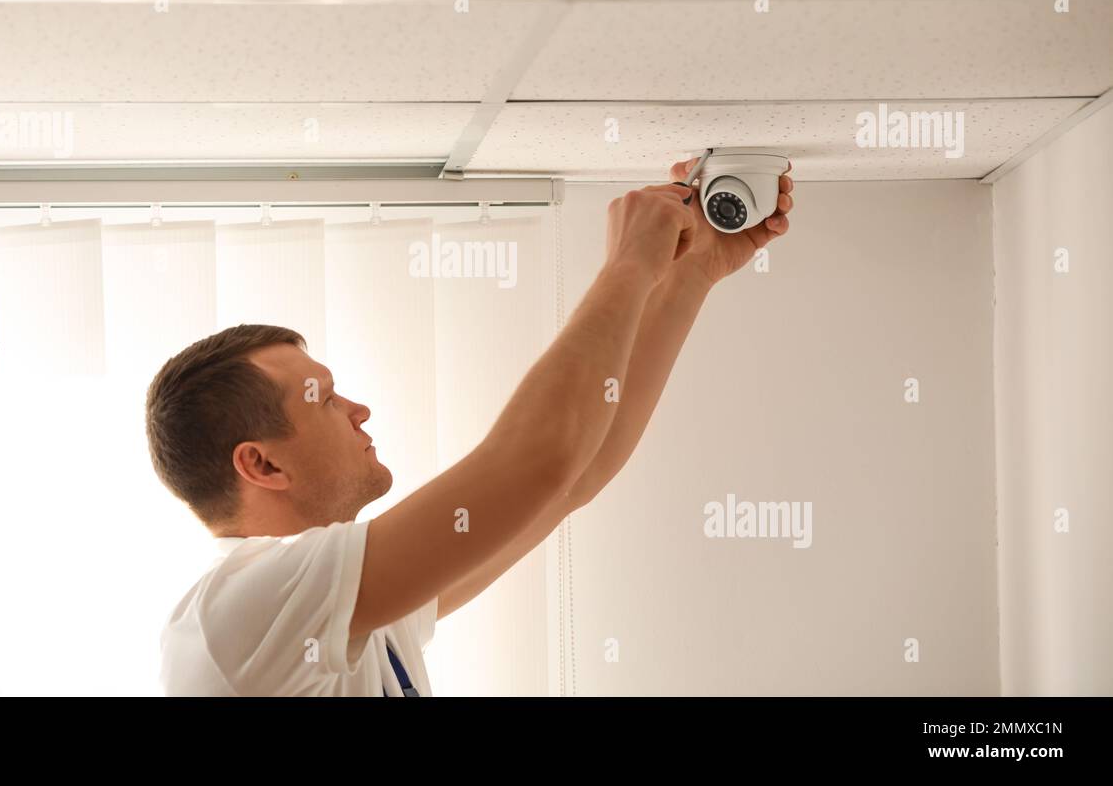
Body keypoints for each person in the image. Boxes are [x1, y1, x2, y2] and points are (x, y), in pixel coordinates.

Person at [147, 158, 794, 695]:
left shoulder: (338, 614)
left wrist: (689, 277)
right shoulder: (245, 604)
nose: (358, 410)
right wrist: (627, 266)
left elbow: (570, 477)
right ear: (261, 465)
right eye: (323, 399)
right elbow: (538, 462)